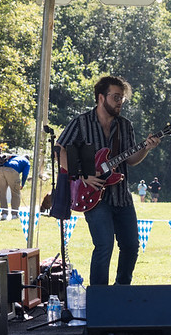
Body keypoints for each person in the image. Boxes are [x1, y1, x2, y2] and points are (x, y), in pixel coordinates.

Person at [57, 76, 160, 286]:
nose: (119, 101)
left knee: (131, 246)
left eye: (121, 98)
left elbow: (130, 160)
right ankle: (99, 298)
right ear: (101, 97)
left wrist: (146, 148)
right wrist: (80, 173)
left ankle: (121, 291)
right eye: (115, 97)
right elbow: (59, 148)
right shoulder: (81, 122)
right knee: (104, 246)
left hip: (121, 196)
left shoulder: (125, 126)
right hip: (93, 196)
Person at [0, 152, 30, 220]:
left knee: (2, 193)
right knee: (15, 193)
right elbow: (25, 174)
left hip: (1, 169)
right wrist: (22, 184)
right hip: (12, 171)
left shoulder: (15, 157)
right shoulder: (27, 162)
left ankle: (4, 214)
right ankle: (14, 214)